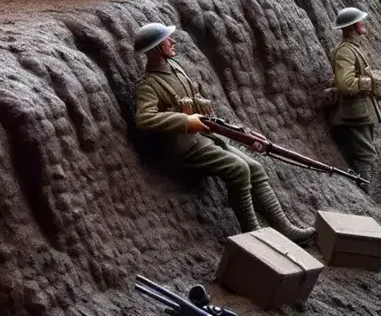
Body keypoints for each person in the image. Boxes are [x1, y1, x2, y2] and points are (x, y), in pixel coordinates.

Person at [133, 23, 315, 244]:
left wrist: (232, 128)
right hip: (184, 148)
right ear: (155, 49)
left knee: (255, 167)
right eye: (167, 40)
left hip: (204, 137)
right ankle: (255, 235)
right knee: (239, 170)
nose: (173, 42)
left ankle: (286, 229)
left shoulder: (175, 68)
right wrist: (185, 120)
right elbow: (144, 118)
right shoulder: (149, 85)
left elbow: (192, 95)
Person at [329, 7, 381, 190]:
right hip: (355, 112)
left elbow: (367, 74)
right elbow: (345, 84)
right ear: (353, 26)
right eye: (360, 21)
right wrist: (375, 82)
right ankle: (364, 192)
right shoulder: (345, 52)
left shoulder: (353, 49)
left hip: (362, 110)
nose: (363, 24)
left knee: (365, 153)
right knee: (366, 155)